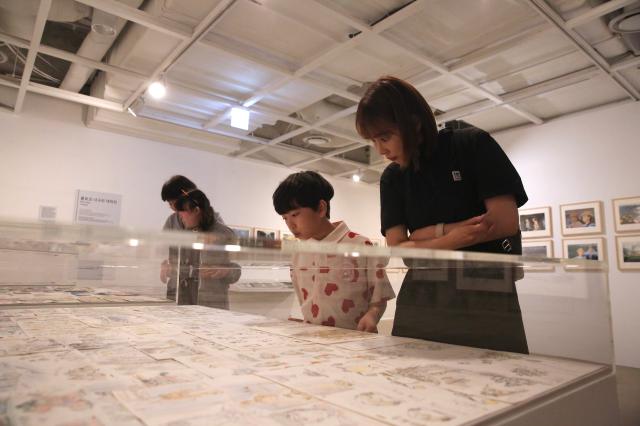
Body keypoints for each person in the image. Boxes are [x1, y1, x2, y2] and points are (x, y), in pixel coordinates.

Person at [355, 76, 529, 353]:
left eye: (385, 137)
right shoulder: (393, 177)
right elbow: (401, 248)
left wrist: (426, 236)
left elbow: (505, 223)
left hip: (485, 288)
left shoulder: (472, 145)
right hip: (423, 292)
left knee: (497, 381)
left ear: (413, 122)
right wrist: (453, 234)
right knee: (413, 384)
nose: (380, 150)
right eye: (373, 140)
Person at [272, 171, 395, 332]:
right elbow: (305, 301)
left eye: (295, 214)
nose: (290, 224)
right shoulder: (299, 253)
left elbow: (379, 297)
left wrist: (372, 315)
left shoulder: (360, 245)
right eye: (285, 218)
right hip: (314, 341)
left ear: (321, 208)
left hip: (354, 340)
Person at [174, 189, 241, 309]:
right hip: (186, 303)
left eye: (183, 211)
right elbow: (179, 266)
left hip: (214, 305)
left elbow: (237, 270)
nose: (180, 215)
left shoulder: (225, 234)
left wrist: (225, 271)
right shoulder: (185, 235)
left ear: (196, 210)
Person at [160, 175, 224, 299]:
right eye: (170, 203)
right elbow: (163, 249)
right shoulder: (171, 221)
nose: (173, 207)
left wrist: (219, 269)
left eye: (175, 202)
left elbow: (226, 261)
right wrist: (165, 264)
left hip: (203, 292)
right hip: (177, 289)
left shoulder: (215, 223)